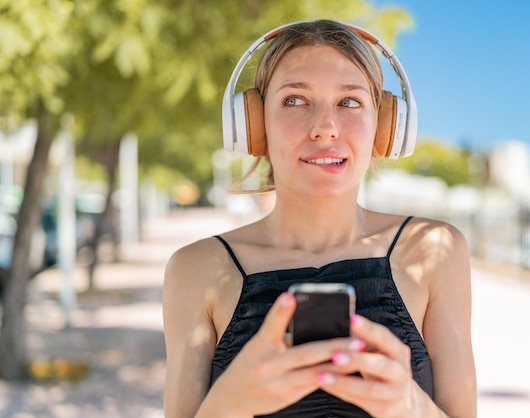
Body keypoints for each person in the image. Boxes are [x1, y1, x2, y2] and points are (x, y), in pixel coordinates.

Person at [162, 19, 476, 418]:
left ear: (384, 128)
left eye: (349, 102)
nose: (325, 129)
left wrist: (409, 405)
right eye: (295, 100)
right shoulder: (196, 268)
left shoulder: (435, 250)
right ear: (254, 124)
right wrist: (229, 402)